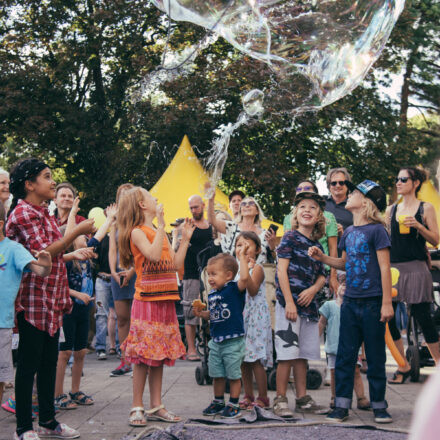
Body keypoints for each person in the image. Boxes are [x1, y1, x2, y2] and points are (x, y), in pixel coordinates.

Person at [6, 158, 95, 440]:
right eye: (46, 177)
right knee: (29, 365)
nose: (52, 181)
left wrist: (72, 251)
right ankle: (23, 428)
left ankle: (48, 422)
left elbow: (54, 255)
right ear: (29, 185)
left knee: (48, 363)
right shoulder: (22, 214)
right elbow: (43, 252)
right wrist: (76, 233)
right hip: (32, 301)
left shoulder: (44, 212)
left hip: (52, 300)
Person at [309, 179, 394, 424]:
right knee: (346, 356)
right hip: (349, 303)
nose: (349, 195)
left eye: (355, 192)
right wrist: (323, 256)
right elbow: (344, 263)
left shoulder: (377, 231)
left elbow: (385, 267)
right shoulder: (348, 233)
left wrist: (387, 302)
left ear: (366, 202)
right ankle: (342, 406)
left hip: (373, 302)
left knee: (376, 357)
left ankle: (379, 406)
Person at [117, 187, 194, 427]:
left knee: (159, 354)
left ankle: (156, 405)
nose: (156, 199)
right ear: (142, 204)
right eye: (152, 197)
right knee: (142, 356)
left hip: (166, 300)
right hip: (146, 300)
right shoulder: (137, 232)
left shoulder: (159, 232)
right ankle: (137, 405)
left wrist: (184, 240)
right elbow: (150, 255)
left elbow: (175, 265)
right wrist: (161, 226)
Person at [54, 202, 117, 410]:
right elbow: (60, 286)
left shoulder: (87, 258)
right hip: (68, 312)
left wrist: (109, 219)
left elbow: (98, 237)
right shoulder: (66, 261)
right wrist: (77, 294)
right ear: (71, 242)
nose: (86, 238)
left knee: (80, 351)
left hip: (82, 311)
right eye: (81, 236)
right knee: (64, 353)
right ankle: (58, 394)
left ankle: (75, 390)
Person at [273, 191, 327, 418]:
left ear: (319, 217)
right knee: (286, 353)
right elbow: (281, 270)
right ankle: (280, 398)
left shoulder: (318, 247)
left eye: (312, 207)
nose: (307, 210)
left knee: (302, 355)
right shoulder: (289, 238)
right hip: (289, 307)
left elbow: (322, 276)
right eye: (302, 206)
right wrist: (289, 303)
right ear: (296, 214)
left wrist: (313, 290)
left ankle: (302, 398)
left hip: (309, 307)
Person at [386, 167, 440, 384]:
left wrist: (418, 225)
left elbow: (435, 239)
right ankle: (403, 365)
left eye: (403, 179)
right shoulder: (391, 210)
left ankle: (438, 364)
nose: (398, 183)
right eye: (397, 179)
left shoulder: (425, 208)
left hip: (416, 267)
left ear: (415, 183)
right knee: (387, 316)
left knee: (422, 316)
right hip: (394, 269)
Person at [0, 201, 52, 410]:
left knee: (0, 377)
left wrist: (46, 263)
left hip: (2, 324)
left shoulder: (12, 249)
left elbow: (39, 270)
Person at [194, 252, 250, 419]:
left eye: (214, 274)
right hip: (216, 341)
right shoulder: (211, 294)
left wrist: (242, 259)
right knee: (216, 374)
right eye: (209, 274)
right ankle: (218, 401)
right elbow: (213, 315)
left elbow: (245, 279)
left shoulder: (233, 289)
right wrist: (201, 314)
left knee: (233, 375)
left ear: (228, 275)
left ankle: (233, 404)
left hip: (233, 341)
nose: (210, 278)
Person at [318, 274, 370, 411]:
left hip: (352, 347)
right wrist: (314, 340)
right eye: (342, 284)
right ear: (336, 288)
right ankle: (335, 397)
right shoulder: (329, 305)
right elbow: (321, 323)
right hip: (333, 348)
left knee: (355, 372)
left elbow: (362, 330)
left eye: (348, 285)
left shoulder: (355, 307)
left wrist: (363, 352)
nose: (344, 287)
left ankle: (361, 397)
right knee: (334, 373)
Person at [235, 232, 272, 410]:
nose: (242, 249)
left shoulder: (257, 268)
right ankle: (247, 394)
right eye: (238, 245)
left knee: (255, 358)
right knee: (243, 359)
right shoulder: (235, 270)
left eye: (246, 245)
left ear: (257, 249)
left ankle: (263, 397)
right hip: (241, 318)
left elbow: (251, 290)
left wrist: (245, 264)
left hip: (255, 319)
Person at [284, 180, 339, 293]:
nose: (303, 190)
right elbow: (285, 253)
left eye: (307, 188)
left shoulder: (328, 217)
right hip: (295, 275)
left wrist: (333, 277)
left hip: (321, 274)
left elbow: (333, 249)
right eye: (299, 189)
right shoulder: (289, 219)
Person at [207, 183, 276, 264]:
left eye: (251, 204)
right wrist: (211, 200)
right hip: (234, 274)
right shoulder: (231, 227)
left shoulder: (265, 234)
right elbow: (212, 220)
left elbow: (274, 259)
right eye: (243, 204)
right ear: (241, 211)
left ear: (257, 211)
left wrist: (272, 246)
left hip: (257, 274)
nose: (247, 205)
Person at [109, 183, 136, 376]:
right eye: (122, 195)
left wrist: (131, 272)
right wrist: (113, 272)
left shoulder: (138, 220)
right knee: (122, 319)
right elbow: (112, 250)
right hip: (117, 275)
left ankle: (140, 359)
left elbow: (142, 252)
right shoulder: (114, 222)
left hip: (136, 275)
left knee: (138, 319)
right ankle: (125, 361)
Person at [182, 195, 213, 362]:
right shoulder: (188, 226)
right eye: (191, 208)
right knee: (190, 311)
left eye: (196, 207)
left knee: (210, 309)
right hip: (191, 274)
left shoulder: (211, 227)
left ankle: (210, 346)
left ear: (203, 206)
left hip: (210, 274)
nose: (194, 210)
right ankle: (191, 349)